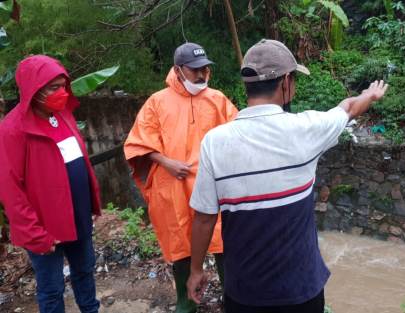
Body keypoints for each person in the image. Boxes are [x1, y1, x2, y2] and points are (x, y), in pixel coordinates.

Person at [186, 39, 389, 313]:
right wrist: (370, 95)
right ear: (285, 82)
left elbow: (203, 218)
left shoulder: (214, 142)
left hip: (244, 294)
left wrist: (196, 270)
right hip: (301, 292)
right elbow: (350, 108)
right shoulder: (306, 130)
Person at [124, 42, 238, 313]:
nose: (202, 75)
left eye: (205, 69)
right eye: (195, 69)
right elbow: (139, 143)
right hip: (173, 185)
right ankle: (185, 302)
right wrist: (166, 162)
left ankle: (233, 298)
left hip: (214, 186)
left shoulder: (218, 99)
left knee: (224, 242)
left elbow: (236, 136)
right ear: (178, 69)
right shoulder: (157, 102)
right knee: (181, 246)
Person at [0, 55, 101, 313]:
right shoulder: (12, 130)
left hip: (78, 217)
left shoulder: (63, 114)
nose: (62, 93)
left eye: (63, 86)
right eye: (53, 88)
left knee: (84, 272)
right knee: (52, 288)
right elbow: (10, 191)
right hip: (45, 227)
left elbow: (77, 162)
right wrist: (36, 234)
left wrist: (90, 204)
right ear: (34, 89)